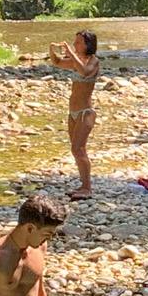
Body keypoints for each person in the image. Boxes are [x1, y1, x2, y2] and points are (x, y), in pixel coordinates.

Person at [49, 30, 101, 198]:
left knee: (77, 148)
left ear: (88, 45)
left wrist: (71, 53)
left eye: (79, 42)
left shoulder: (93, 61)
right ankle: (83, 185)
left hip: (86, 112)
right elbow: (57, 62)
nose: (75, 45)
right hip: (73, 112)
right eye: (75, 42)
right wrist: (52, 50)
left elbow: (85, 71)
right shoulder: (75, 61)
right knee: (77, 150)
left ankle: (87, 188)